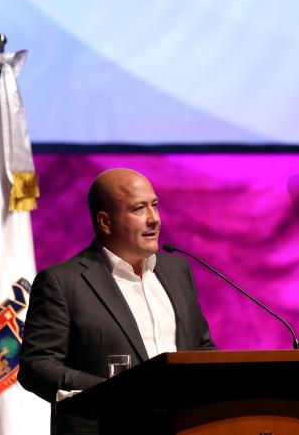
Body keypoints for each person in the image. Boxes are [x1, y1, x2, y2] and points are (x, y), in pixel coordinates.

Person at [19, 168, 216, 435]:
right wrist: (111, 392)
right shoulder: (63, 282)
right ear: (105, 222)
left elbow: (202, 347)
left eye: (155, 205)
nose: (154, 219)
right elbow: (37, 366)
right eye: (139, 209)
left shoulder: (177, 269)